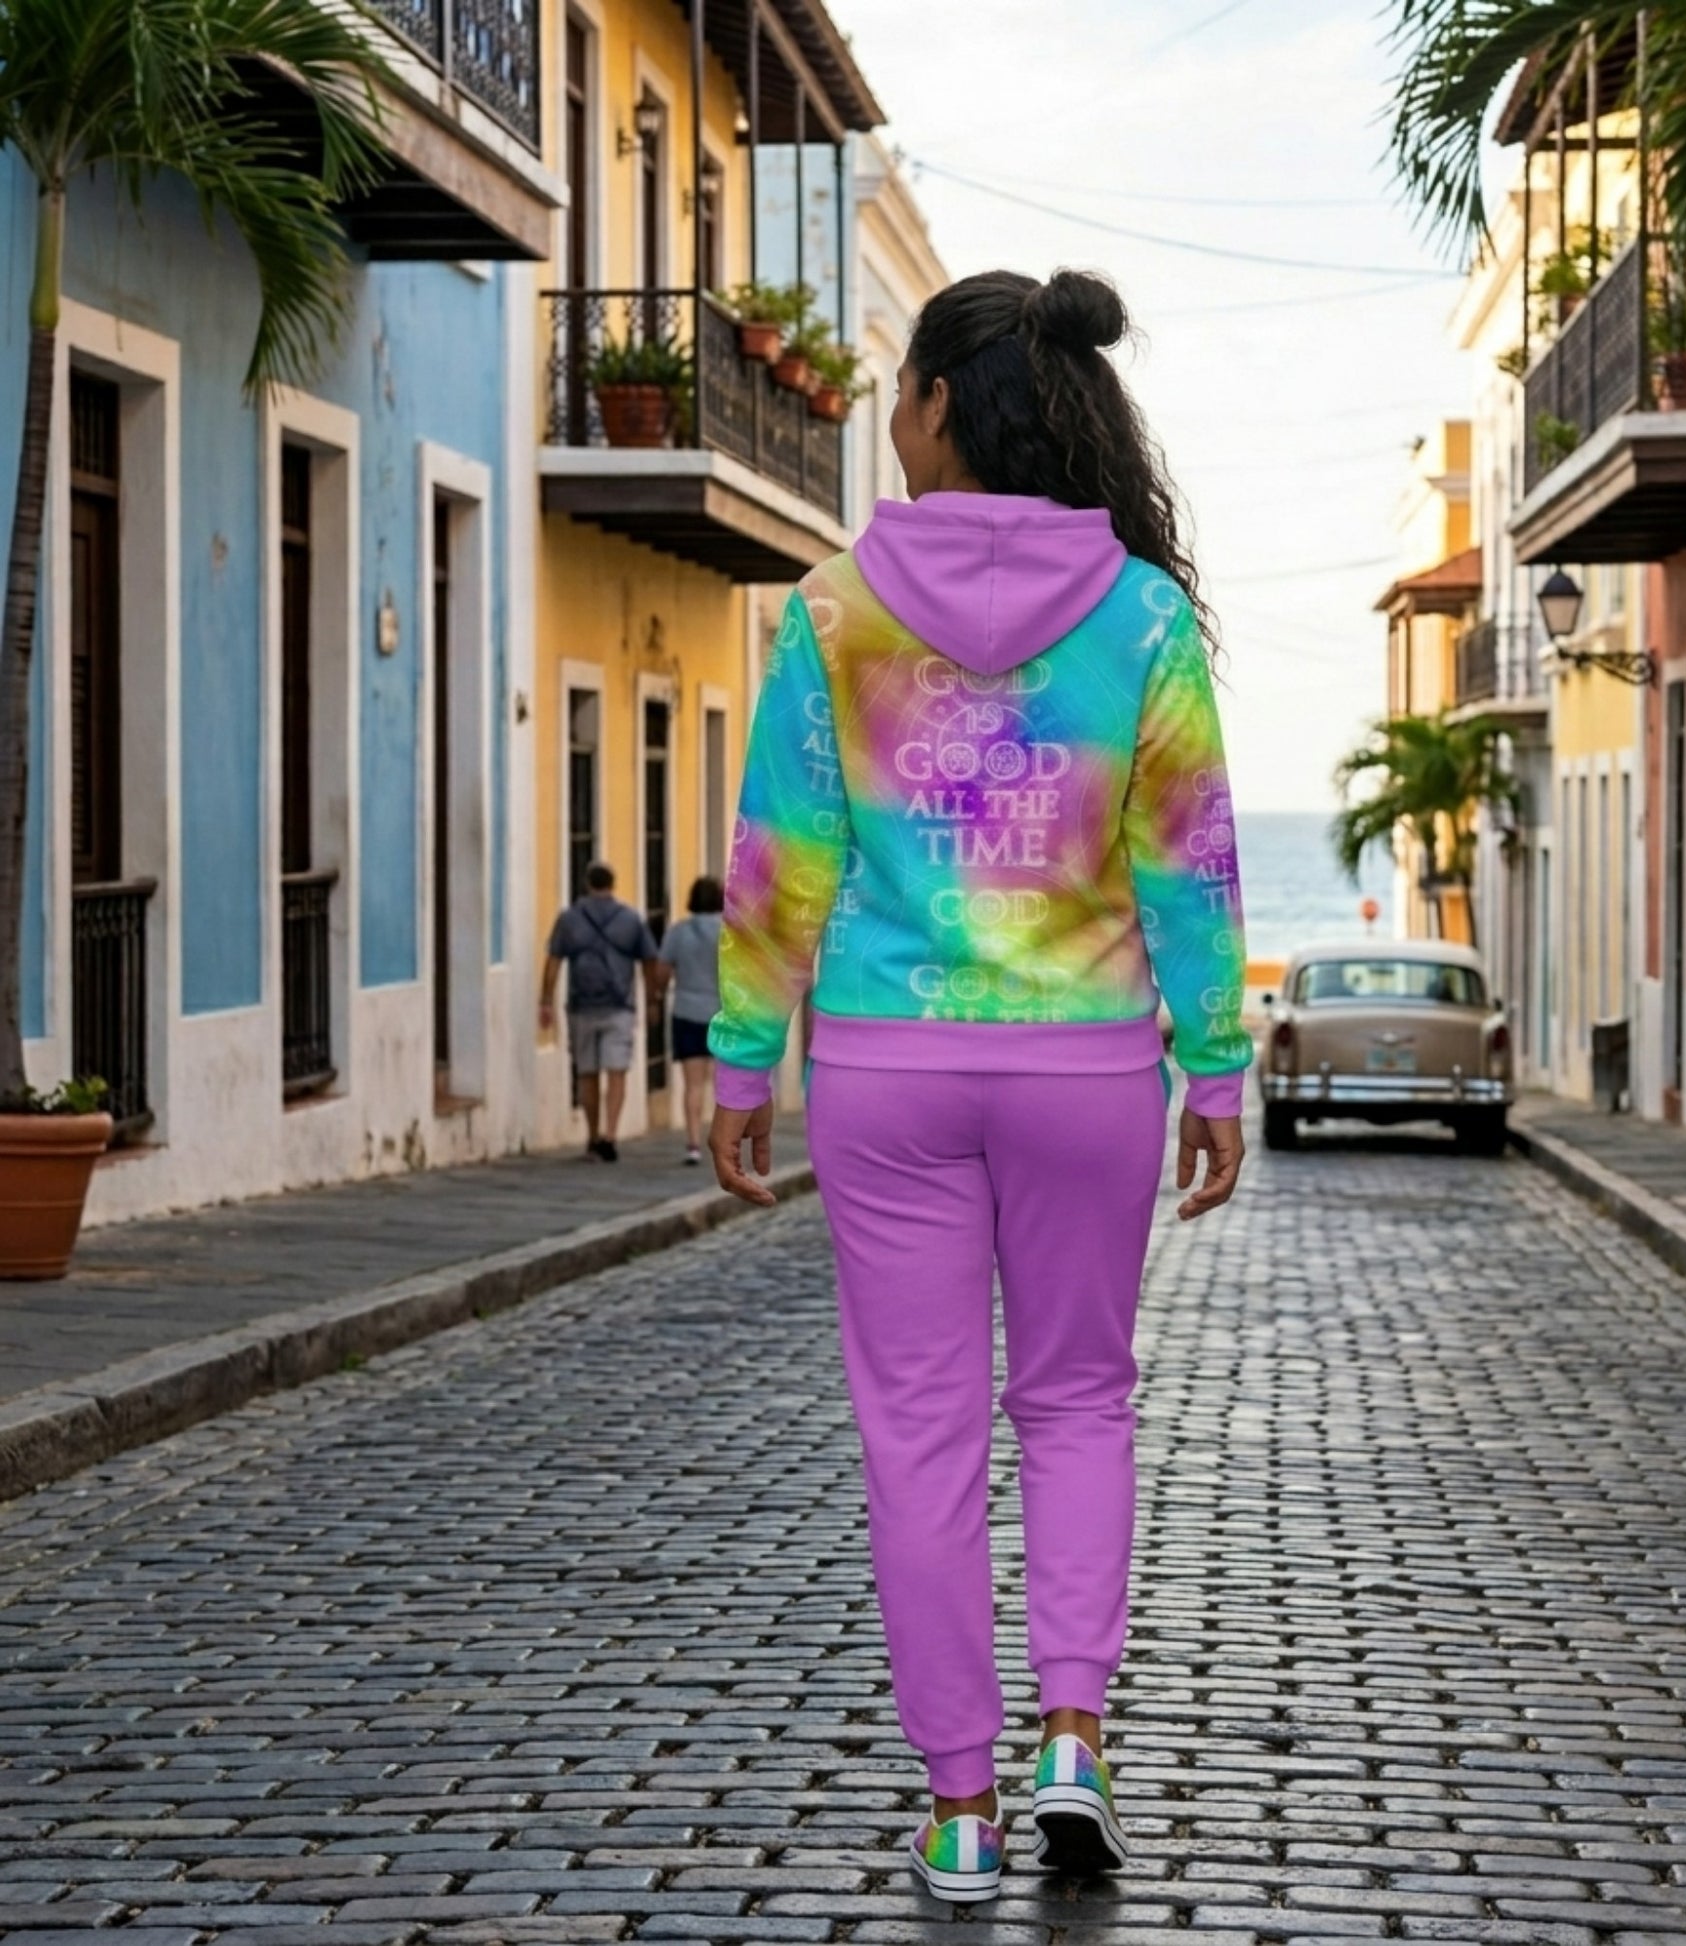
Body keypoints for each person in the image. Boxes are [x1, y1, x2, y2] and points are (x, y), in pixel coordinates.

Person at [705, 268, 1250, 1903]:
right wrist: (1215, 1068)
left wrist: (743, 1055)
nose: (888, 413)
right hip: (1088, 1070)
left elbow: (783, 857)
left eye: (899, 387)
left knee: (919, 1432)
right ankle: (1073, 1736)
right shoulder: (1140, 618)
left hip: (888, 1070)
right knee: (1079, 1399)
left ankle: (959, 1806)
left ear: (944, 404)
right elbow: (1188, 863)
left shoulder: (832, 611)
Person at [540, 862, 656, 1163]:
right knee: (617, 1072)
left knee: (587, 1073)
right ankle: (611, 1135)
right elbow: (649, 961)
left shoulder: (569, 919)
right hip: (619, 1006)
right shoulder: (630, 919)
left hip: (582, 1006)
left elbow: (553, 961)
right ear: (612, 884)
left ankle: (592, 1136)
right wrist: (652, 1000)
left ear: (587, 884)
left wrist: (546, 1000)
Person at [651, 876, 724, 1165]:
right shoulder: (730, 932)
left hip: (687, 1013)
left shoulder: (678, 932)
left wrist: (658, 993)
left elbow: (661, 972)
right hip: (723, 1016)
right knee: (723, 1084)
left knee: (693, 1085)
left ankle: (693, 1144)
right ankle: (723, 1142)